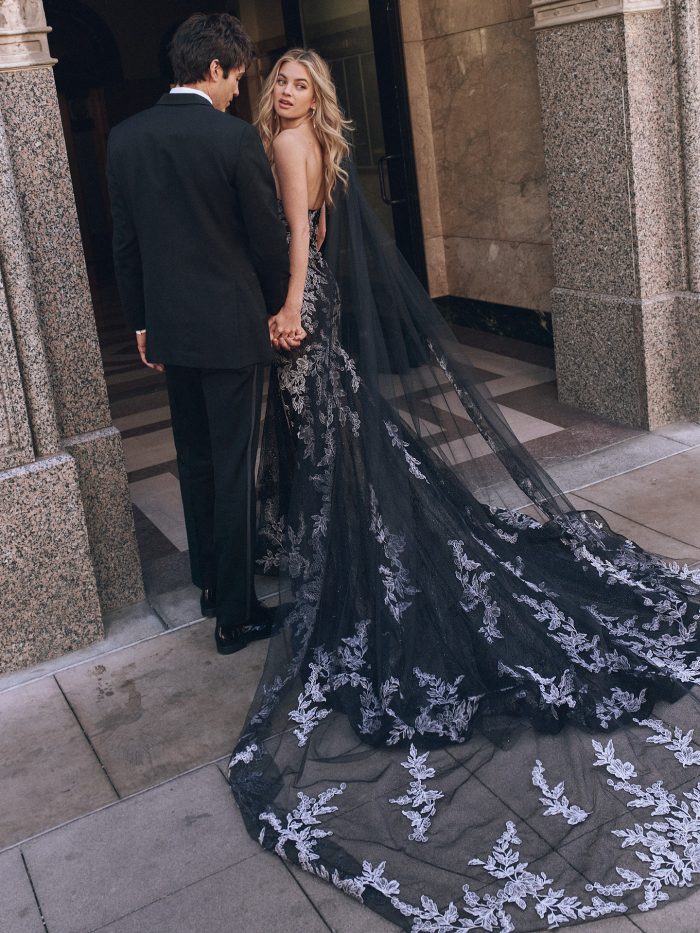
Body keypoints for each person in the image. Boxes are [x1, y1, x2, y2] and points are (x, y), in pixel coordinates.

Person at [231, 50, 700, 930]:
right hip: (320, 308)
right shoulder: (308, 142)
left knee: (328, 447)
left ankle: (350, 563)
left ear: (314, 97)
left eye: (300, 83)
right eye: (281, 82)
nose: (287, 93)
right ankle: (354, 554)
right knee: (341, 445)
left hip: (304, 307)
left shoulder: (293, 148)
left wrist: (291, 307)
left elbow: (301, 237)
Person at [107, 14, 292, 655]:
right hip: (234, 329)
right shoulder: (233, 140)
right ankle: (236, 617)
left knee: (196, 461)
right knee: (236, 466)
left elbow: (124, 243)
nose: (238, 91)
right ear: (215, 68)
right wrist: (279, 306)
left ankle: (211, 584)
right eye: (237, 77)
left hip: (172, 334)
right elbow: (268, 241)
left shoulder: (125, 138)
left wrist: (140, 321)